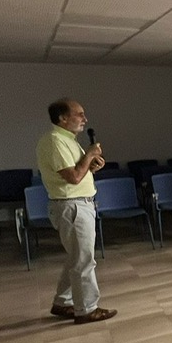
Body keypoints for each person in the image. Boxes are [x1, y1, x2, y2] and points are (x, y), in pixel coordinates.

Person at [36, 98, 115, 325]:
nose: (85, 119)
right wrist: (89, 155)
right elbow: (72, 178)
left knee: (76, 258)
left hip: (79, 203)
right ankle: (87, 309)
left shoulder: (68, 140)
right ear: (63, 118)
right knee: (84, 261)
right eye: (79, 114)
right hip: (72, 206)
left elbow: (78, 171)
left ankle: (62, 302)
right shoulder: (55, 141)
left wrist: (91, 165)